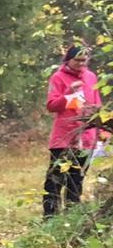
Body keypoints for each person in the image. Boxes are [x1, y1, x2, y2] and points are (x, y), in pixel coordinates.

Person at [44, 44, 104, 217]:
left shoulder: (91, 77)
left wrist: (100, 128)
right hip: (64, 137)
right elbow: (51, 105)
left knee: (77, 180)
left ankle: (71, 217)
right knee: (55, 180)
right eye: (77, 60)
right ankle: (50, 217)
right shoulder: (58, 77)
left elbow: (97, 103)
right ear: (68, 60)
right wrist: (69, 94)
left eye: (84, 60)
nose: (81, 64)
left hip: (87, 137)